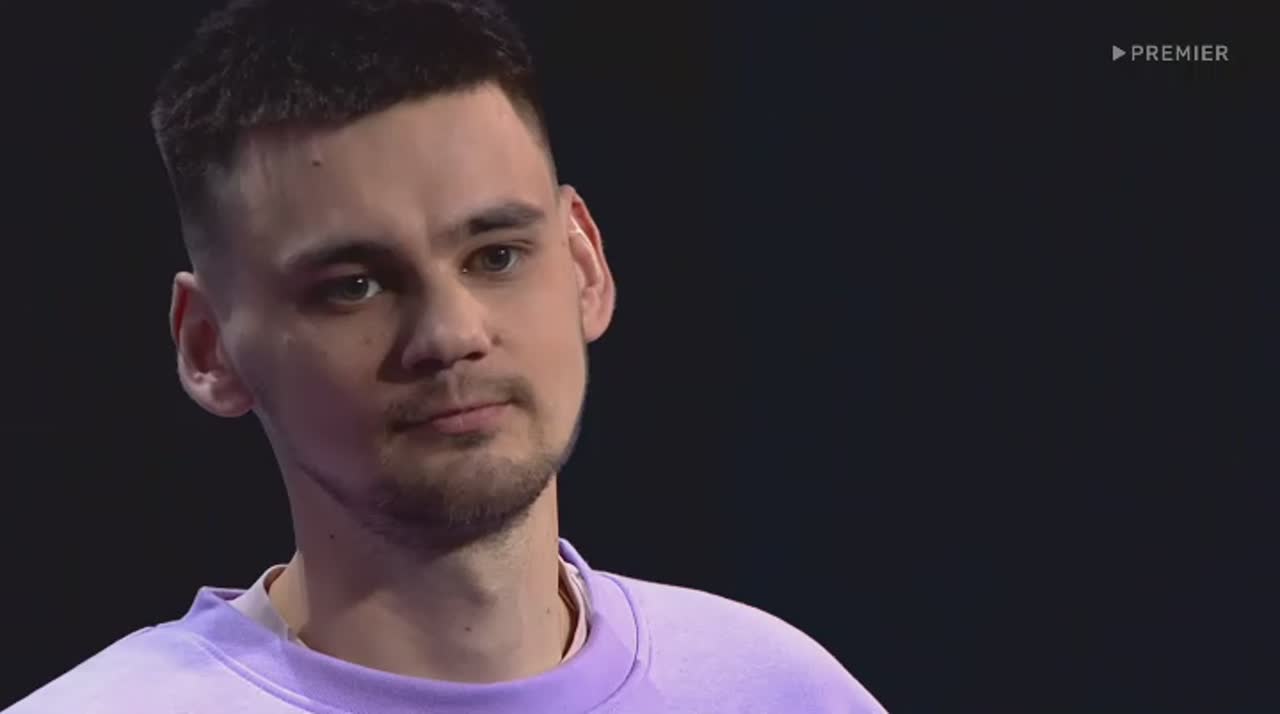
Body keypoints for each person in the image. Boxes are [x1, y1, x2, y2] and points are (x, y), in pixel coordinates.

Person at [5, 1, 886, 712]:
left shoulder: (778, 690)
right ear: (210, 347)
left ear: (584, 264)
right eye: (354, 285)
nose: (451, 333)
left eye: (496, 256)